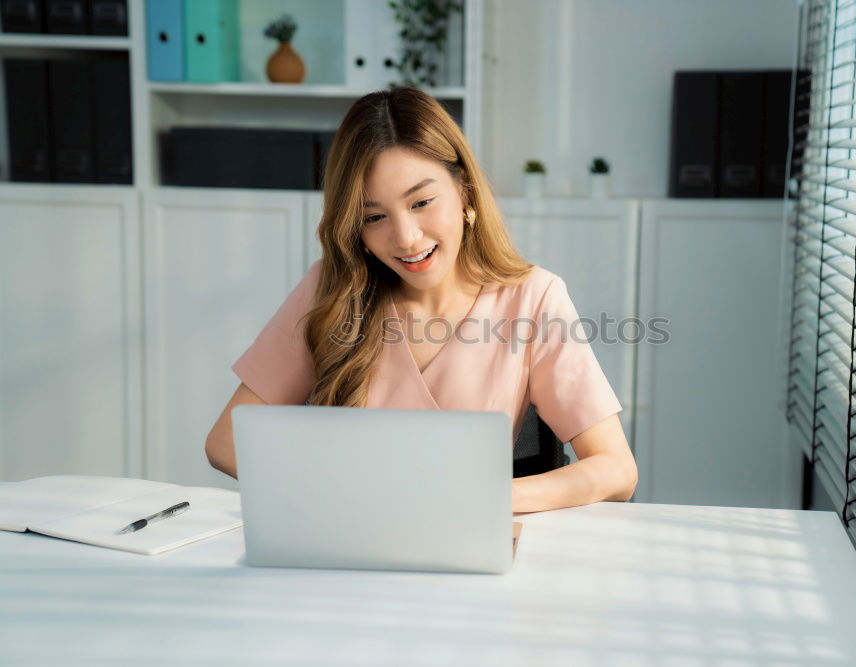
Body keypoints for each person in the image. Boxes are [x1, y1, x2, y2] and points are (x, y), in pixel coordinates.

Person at [204, 86, 637, 513]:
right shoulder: (331, 291)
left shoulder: (533, 299)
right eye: (374, 217)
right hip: (349, 549)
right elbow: (226, 442)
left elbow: (616, 469)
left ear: (464, 191)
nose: (406, 238)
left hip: (466, 546)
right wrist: (331, 495)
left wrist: (490, 500)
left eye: (422, 202)